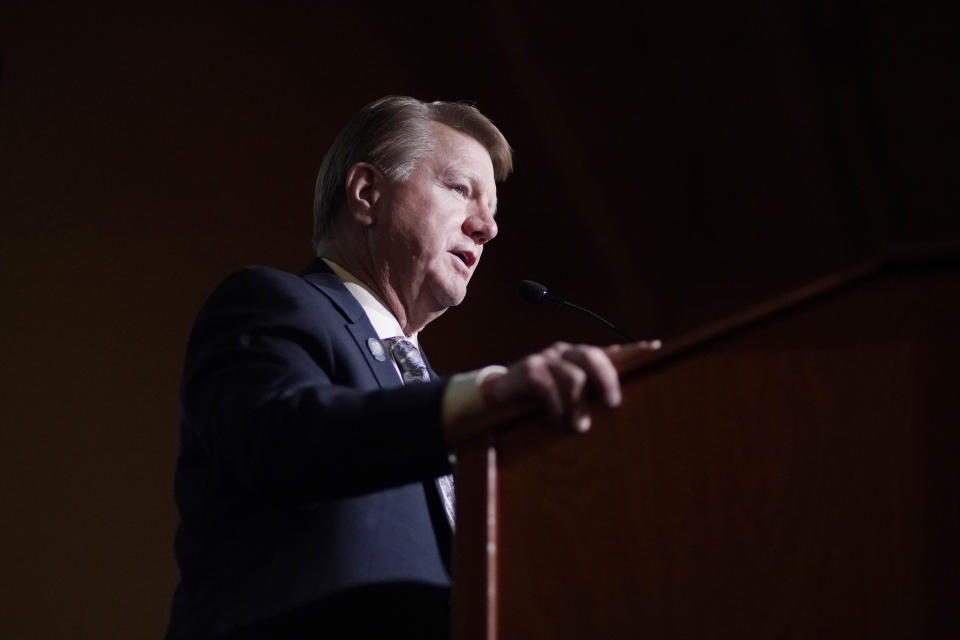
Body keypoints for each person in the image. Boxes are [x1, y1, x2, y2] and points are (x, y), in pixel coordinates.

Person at [165, 96, 653, 639]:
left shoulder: (426, 391)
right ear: (367, 194)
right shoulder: (270, 303)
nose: (487, 228)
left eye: (493, 210)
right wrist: (485, 399)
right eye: (460, 189)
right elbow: (282, 437)